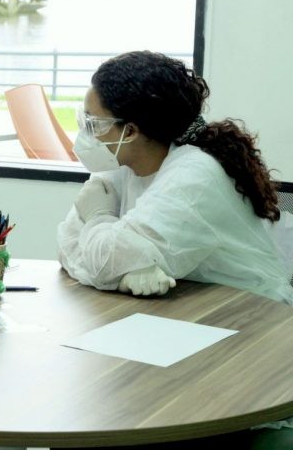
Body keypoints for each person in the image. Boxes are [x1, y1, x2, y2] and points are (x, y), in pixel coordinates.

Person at [57, 50, 293, 447]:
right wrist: (123, 267)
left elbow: (99, 255)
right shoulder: (124, 164)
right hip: (182, 328)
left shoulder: (195, 175)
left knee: (103, 421)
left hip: (246, 341)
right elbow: (67, 244)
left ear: (130, 130)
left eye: (94, 123)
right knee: (93, 408)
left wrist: (100, 225)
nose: (86, 133)